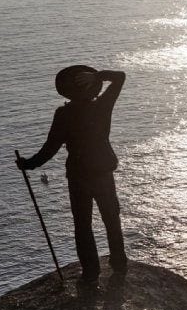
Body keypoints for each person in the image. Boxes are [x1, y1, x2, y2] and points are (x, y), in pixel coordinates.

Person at [16, 65, 128, 282]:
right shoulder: (103, 106)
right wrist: (97, 76)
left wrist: (28, 164)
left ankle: (90, 271)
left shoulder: (64, 114)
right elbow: (120, 77)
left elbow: (50, 148)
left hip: (78, 176)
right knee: (111, 219)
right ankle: (119, 262)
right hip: (103, 173)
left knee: (82, 225)